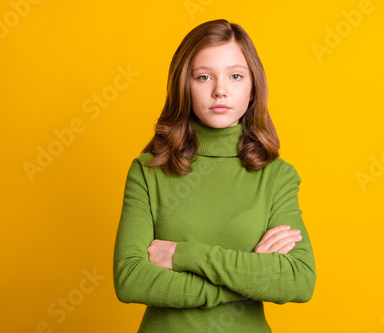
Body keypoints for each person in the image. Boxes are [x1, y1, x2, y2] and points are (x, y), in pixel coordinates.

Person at [113, 18, 316, 332]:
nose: (220, 90)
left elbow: (298, 280)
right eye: (204, 76)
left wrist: (184, 254)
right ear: (185, 86)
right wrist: (249, 278)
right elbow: (130, 280)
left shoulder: (277, 177)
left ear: (252, 89)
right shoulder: (147, 171)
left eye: (235, 76)